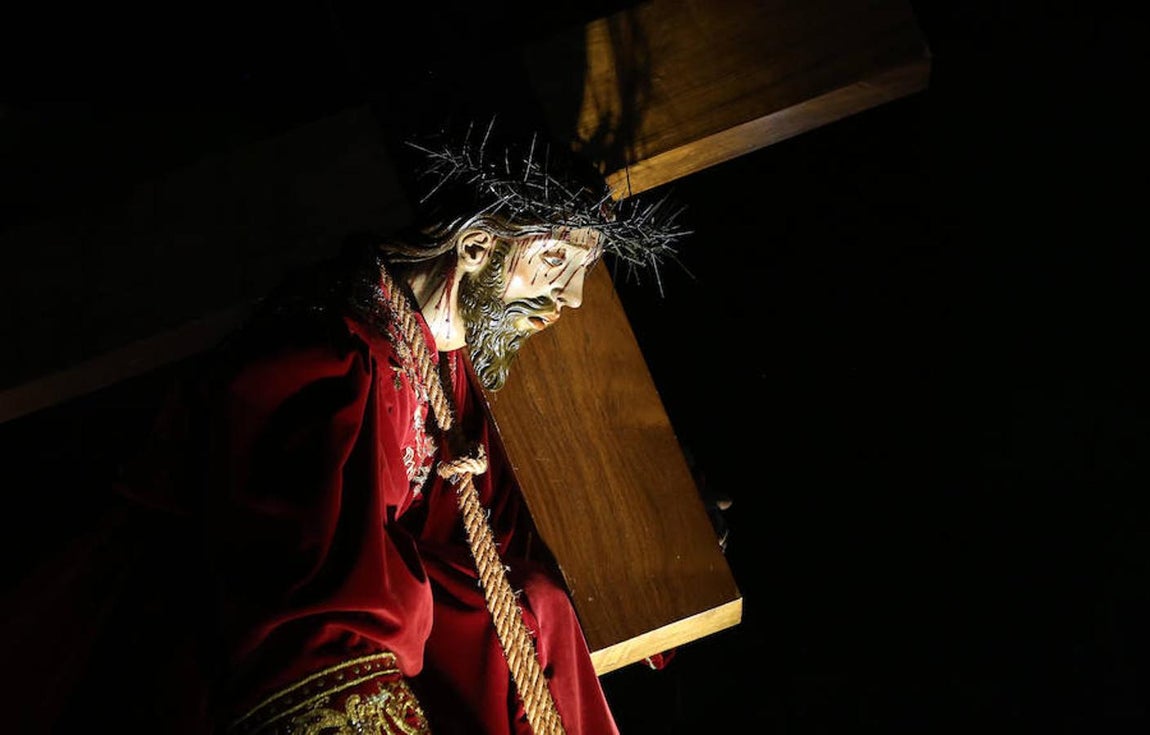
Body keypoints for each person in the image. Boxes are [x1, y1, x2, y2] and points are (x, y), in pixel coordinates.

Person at [4, 122, 686, 734]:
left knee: (533, 600)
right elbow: (299, 588)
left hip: (401, 636)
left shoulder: (444, 365)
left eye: (582, 270)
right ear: (477, 245)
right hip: (252, 655)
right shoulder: (329, 357)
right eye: (556, 261)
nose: (571, 298)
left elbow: (494, 526)